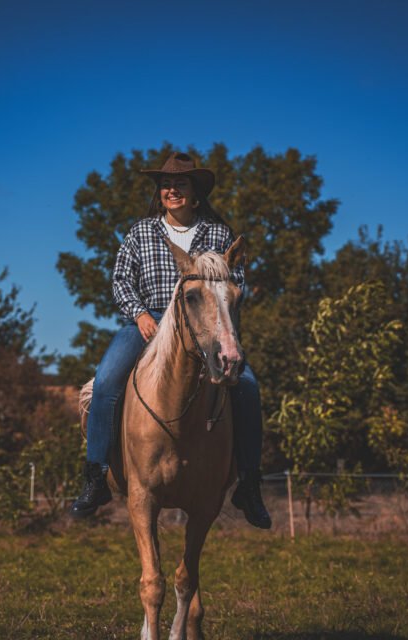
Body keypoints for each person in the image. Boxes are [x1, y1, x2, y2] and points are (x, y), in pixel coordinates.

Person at [69, 151, 271, 529]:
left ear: (195, 193)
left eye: (180, 183)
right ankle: (95, 476)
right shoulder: (140, 233)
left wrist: (220, 312)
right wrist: (140, 314)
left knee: (247, 387)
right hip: (149, 321)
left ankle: (249, 484)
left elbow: (235, 281)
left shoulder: (218, 234)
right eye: (166, 185)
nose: (172, 190)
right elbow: (121, 280)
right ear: (159, 193)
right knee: (107, 380)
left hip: (206, 322)